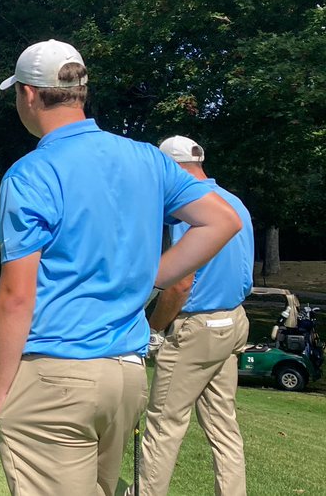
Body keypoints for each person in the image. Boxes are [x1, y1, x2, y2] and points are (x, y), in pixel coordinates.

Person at [0, 39, 243, 495]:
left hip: (56, 374)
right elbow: (220, 220)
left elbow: (16, 296)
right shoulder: (147, 157)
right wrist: (154, 275)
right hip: (125, 377)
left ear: (28, 94)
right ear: (79, 90)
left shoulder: (31, 174)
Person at [136, 136, 253, 496]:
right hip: (233, 322)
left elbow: (180, 284)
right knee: (223, 426)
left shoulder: (190, 207)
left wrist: (153, 328)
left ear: (172, 168)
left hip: (196, 328)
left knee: (163, 423)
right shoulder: (235, 204)